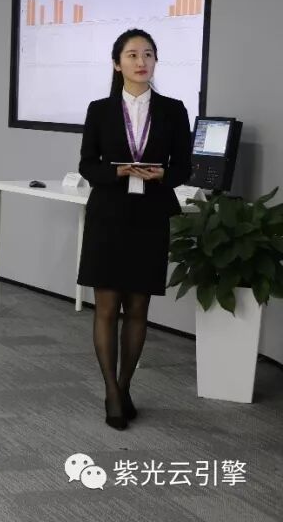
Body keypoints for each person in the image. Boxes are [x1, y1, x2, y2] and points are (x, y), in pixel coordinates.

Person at [77, 28, 192, 430]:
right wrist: (118, 171)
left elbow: (184, 167)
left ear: (155, 61)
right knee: (107, 308)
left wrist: (162, 174)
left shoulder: (174, 109)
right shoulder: (100, 110)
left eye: (148, 54)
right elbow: (87, 164)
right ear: (117, 64)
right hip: (108, 214)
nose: (141, 61)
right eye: (132, 55)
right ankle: (111, 391)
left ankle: (125, 385)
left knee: (139, 308)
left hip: (150, 216)